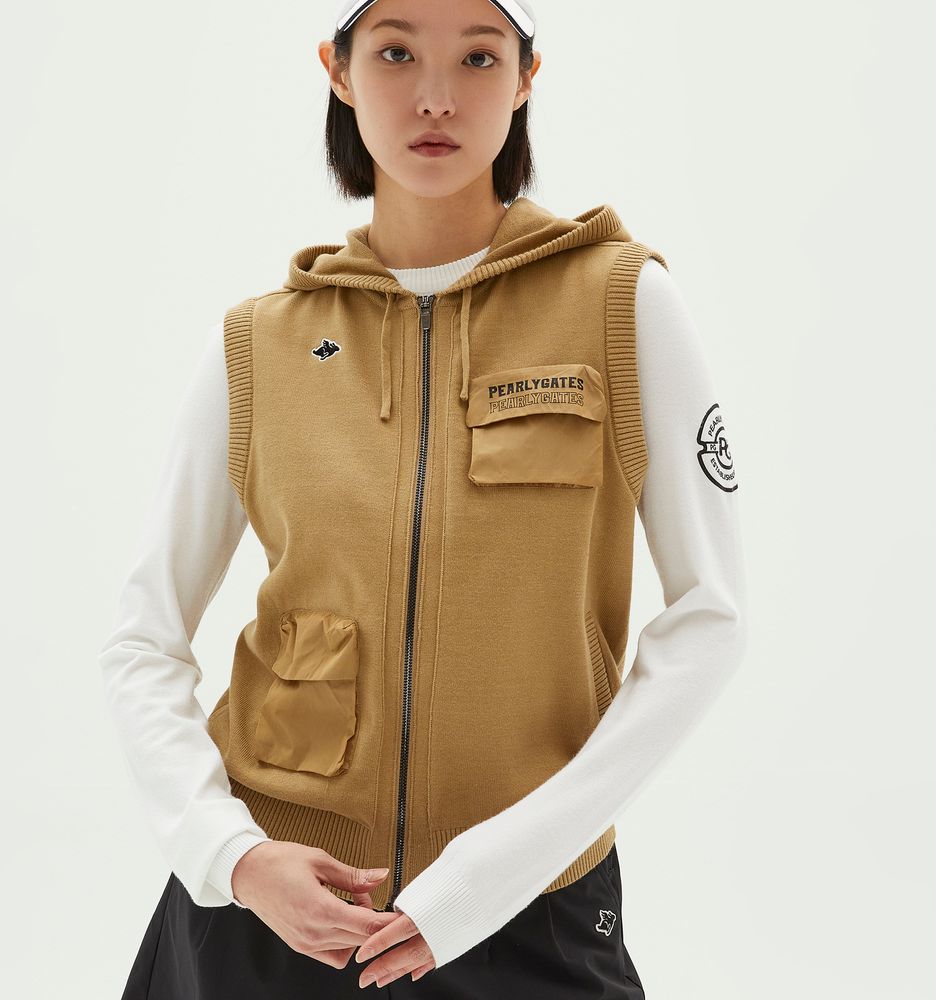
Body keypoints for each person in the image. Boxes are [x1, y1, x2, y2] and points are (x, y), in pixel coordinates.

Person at [98, 0, 747, 996]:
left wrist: (492, 873)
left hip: (529, 907)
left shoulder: (621, 304)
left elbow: (709, 621)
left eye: (478, 58)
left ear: (526, 77)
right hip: (270, 911)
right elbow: (144, 637)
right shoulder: (259, 342)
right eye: (396, 52)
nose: (436, 97)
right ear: (339, 69)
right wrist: (230, 853)